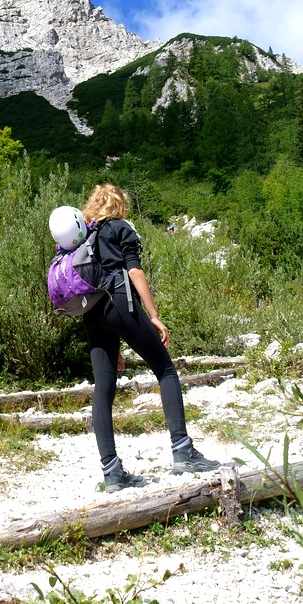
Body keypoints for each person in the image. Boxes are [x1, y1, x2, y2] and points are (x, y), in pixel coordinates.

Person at [80, 183, 221, 492]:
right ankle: (183, 451)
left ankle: (112, 472)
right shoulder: (121, 228)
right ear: (119, 204)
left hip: (91, 313)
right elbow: (134, 272)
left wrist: (114, 341)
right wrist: (153, 315)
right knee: (165, 370)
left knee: (103, 387)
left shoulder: (86, 236)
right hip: (120, 302)